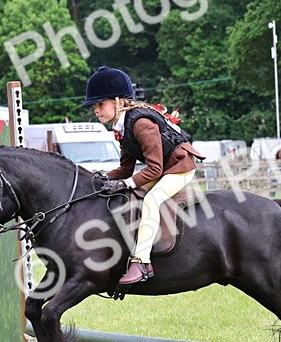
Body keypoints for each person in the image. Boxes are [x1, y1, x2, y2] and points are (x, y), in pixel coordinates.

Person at [84, 66, 205, 285]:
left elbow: (154, 170)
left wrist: (124, 184)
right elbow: (125, 170)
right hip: (161, 169)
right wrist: (99, 177)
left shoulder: (140, 124)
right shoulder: (121, 127)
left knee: (151, 200)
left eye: (101, 104)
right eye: (95, 105)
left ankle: (141, 262)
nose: (96, 110)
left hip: (179, 168)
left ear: (119, 101)